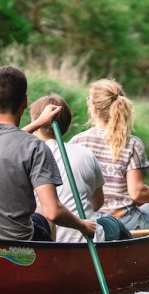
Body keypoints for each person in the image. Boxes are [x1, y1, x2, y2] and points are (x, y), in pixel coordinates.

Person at [0, 66, 96, 242]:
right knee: (42, 214)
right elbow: (53, 211)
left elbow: (5, 140)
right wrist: (83, 225)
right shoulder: (35, 148)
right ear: (25, 102)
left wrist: (39, 122)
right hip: (17, 246)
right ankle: (48, 266)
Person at [70, 79, 149, 231]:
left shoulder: (77, 141)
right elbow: (137, 193)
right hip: (124, 222)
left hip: (89, 221)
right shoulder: (132, 144)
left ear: (94, 110)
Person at [26, 93, 107, 242]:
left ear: (35, 121)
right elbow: (98, 202)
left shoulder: (24, 153)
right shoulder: (85, 153)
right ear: (67, 126)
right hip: (87, 239)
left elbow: (9, 139)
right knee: (110, 223)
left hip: (45, 241)